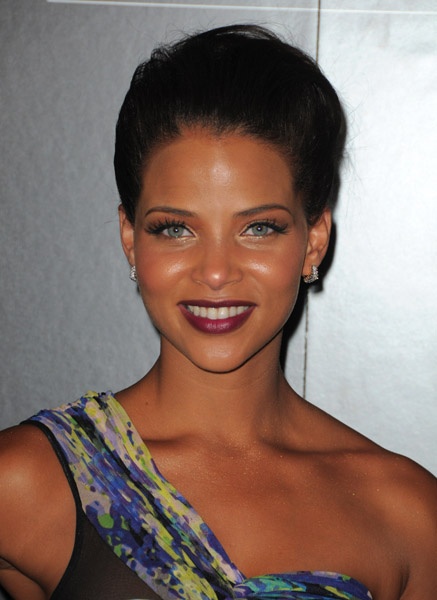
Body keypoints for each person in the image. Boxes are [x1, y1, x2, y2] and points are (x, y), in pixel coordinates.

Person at [0, 24, 435, 600]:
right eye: (175, 229)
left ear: (313, 241)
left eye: (259, 228)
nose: (214, 271)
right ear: (131, 240)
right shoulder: (23, 483)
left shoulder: (409, 514)